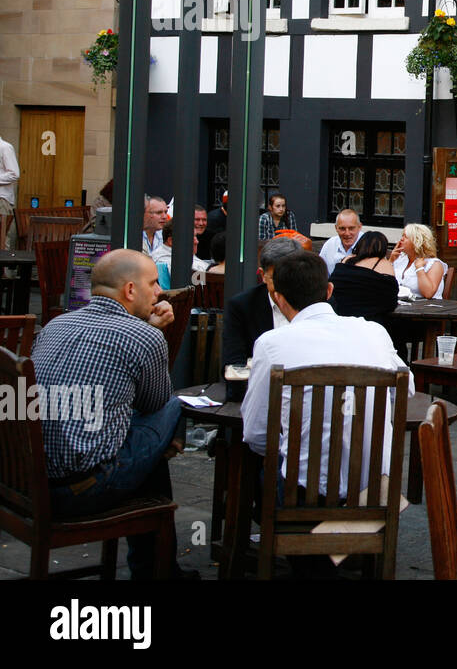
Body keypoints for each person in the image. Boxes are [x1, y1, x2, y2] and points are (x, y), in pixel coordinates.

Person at [31, 249, 191, 579]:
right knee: (174, 406)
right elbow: (153, 404)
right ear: (130, 290)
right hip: (83, 488)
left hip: (32, 483)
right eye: (153, 283)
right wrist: (154, 332)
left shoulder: (56, 325)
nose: (159, 290)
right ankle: (156, 570)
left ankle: (157, 569)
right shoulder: (144, 336)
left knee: (142, 439)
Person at [241, 249, 411, 503]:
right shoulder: (374, 332)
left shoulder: (272, 344)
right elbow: (406, 390)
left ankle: (275, 535)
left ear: (279, 298)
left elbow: (256, 434)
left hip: (304, 493)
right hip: (373, 489)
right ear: (329, 290)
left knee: (256, 465)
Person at [222, 236, 304, 368]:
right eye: (277, 279)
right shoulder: (242, 306)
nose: (285, 286)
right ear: (262, 275)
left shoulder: (316, 301)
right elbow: (234, 364)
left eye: (291, 277)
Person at [329, 230, 398, 323]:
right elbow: (391, 301)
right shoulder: (384, 264)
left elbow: (333, 285)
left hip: (338, 316)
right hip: (369, 320)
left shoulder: (346, 260)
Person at [391, 223, 447, 299]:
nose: (401, 239)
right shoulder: (399, 260)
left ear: (418, 241)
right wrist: (390, 261)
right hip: (400, 305)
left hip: (426, 308)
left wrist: (419, 268)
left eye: (406, 237)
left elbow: (428, 293)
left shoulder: (434, 264)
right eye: (402, 236)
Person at [319, 208, 363, 275]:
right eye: (342, 229)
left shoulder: (369, 245)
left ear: (359, 227)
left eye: (351, 228)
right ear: (336, 228)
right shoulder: (329, 245)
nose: (347, 233)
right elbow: (320, 274)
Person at [0, 130, 19, 249]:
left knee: (2, 239)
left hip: (2, 199)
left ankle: (4, 267)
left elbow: (14, 174)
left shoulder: (5, 147)